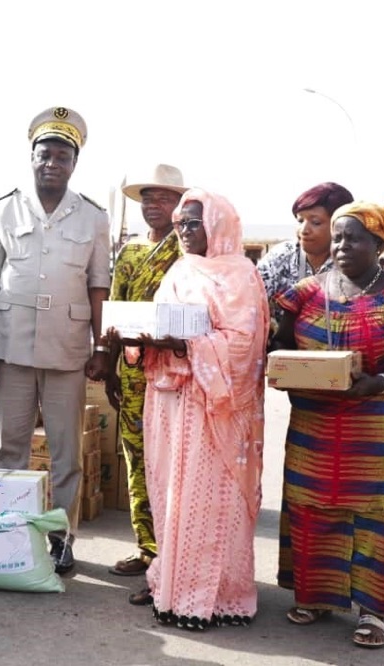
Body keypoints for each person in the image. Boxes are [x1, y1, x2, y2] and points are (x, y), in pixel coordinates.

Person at [261, 184, 384, 610]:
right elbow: (280, 347)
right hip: (313, 424)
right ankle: (316, 598)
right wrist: (284, 371)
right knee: (311, 509)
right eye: (337, 237)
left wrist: (380, 383)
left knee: (374, 516)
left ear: (377, 243)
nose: (340, 245)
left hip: (375, 423)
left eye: (352, 237)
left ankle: (374, 612)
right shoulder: (304, 291)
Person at [0, 107, 110, 574]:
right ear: (31, 157)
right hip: (11, 347)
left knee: (65, 453)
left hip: (68, 349)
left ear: (74, 164)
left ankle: (62, 538)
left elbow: (98, 285)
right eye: (45, 154)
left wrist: (101, 346)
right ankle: (7, 530)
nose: (52, 162)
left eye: (62, 156)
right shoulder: (2, 208)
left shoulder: (93, 216)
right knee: (7, 449)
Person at [125, 189, 268, 629]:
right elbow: (157, 324)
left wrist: (187, 346)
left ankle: (213, 595)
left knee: (211, 501)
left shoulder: (241, 276)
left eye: (192, 223)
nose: (184, 232)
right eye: (179, 225)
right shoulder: (179, 272)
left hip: (214, 410)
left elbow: (244, 345)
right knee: (171, 494)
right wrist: (134, 339)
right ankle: (171, 586)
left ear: (217, 225)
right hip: (170, 402)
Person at [105, 164, 187, 587]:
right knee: (136, 460)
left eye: (164, 198)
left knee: (172, 462)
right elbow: (115, 309)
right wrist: (110, 366)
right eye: (147, 199)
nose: (154, 206)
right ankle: (147, 547)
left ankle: (175, 551)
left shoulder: (190, 251)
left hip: (173, 374)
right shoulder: (130, 252)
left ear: (179, 204)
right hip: (134, 371)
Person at [257, 182, 353, 346]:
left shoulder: (352, 262)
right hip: (286, 356)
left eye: (315, 222)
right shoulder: (281, 256)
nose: (304, 230)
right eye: (300, 220)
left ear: (340, 225)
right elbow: (251, 301)